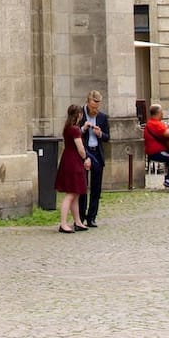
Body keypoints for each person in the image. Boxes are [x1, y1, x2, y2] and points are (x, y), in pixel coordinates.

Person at [55, 105, 91, 233]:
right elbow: (80, 148)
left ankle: (78, 221)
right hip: (74, 161)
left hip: (68, 159)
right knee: (71, 194)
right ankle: (63, 223)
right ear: (79, 115)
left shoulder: (67, 128)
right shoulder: (75, 129)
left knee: (75, 194)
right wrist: (86, 158)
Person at [81, 91, 110, 228]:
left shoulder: (103, 117)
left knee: (96, 188)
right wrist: (83, 128)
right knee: (83, 186)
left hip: (97, 152)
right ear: (87, 102)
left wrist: (100, 134)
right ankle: (80, 216)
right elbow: (74, 132)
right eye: (93, 108)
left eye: (97, 108)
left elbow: (107, 137)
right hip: (84, 153)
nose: (95, 110)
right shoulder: (80, 114)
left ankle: (92, 217)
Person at [143, 104, 169, 189]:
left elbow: (165, 130)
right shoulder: (154, 124)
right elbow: (167, 133)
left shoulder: (154, 123)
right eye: (162, 112)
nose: (163, 114)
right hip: (156, 152)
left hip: (158, 151)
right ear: (159, 113)